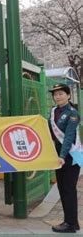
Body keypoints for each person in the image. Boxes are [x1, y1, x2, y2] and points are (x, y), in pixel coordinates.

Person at [48, 83, 81, 233]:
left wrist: (62, 156)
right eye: (55, 94)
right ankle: (71, 221)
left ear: (68, 95)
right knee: (62, 189)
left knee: (68, 189)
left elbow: (68, 137)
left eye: (61, 93)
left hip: (70, 156)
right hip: (58, 156)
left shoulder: (73, 113)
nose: (58, 96)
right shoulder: (54, 111)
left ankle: (70, 223)